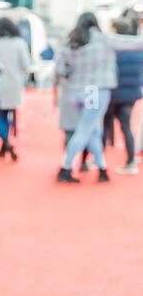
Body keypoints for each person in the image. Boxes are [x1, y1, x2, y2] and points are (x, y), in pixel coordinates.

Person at [55, 11, 143, 183]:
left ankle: (102, 168)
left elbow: (60, 70)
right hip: (94, 91)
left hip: (75, 91)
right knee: (86, 129)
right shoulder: (104, 39)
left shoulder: (71, 41)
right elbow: (134, 43)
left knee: (94, 130)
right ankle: (65, 167)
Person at [0, 16, 32, 161]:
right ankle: (4, 144)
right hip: (14, 83)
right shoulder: (19, 43)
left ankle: (6, 143)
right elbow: (26, 65)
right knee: (7, 115)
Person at [104, 16, 143, 174]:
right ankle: (131, 162)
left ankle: (98, 162)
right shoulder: (138, 49)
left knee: (104, 127)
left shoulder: (111, 48)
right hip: (131, 94)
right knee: (126, 127)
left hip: (112, 93)